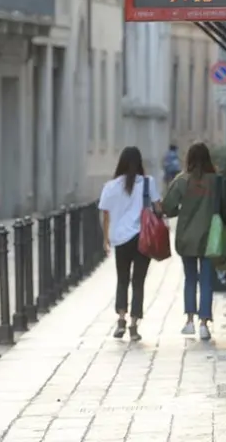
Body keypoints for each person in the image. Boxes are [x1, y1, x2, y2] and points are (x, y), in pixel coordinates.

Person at [162, 142, 226, 341]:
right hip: (210, 238)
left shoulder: (181, 181)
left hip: (186, 238)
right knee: (206, 280)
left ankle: (189, 321)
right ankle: (204, 323)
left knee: (190, 279)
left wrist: (180, 211)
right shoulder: (217, 181)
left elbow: (167, 207)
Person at [99, 146, 161, 341]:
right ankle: (134, 325)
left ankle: (121, 319)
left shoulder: (110, 187)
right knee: (138, 282)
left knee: (122, 279)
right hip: (143, 238)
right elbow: (159, 207)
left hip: (121, 240)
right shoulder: (148, 183)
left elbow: (106, 214)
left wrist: (106, 238)